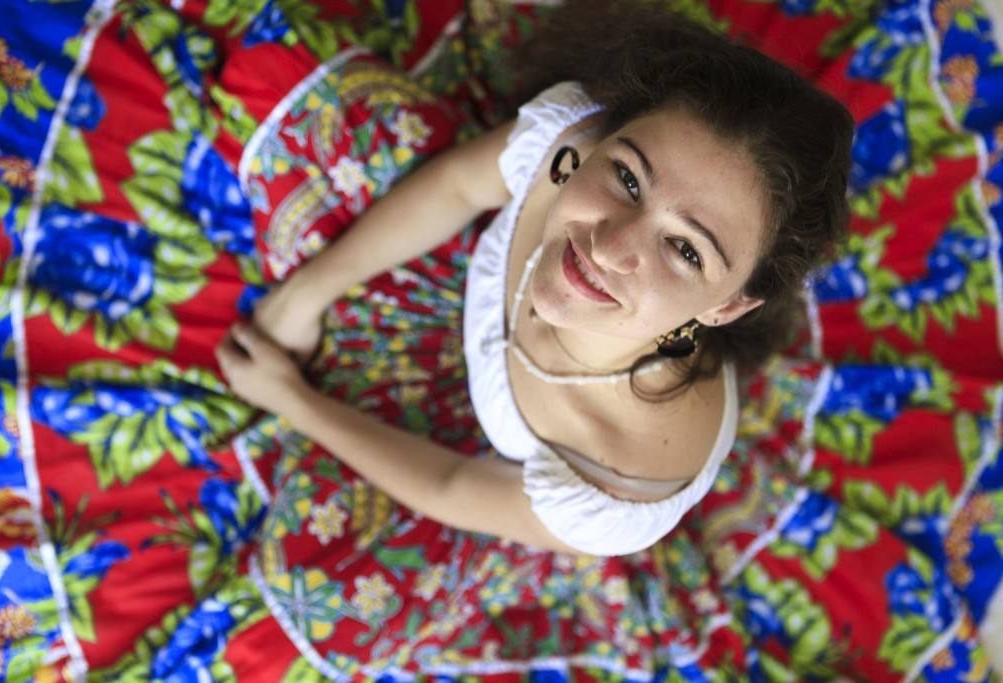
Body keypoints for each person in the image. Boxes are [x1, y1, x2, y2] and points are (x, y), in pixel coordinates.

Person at [214, 1, 854, 557]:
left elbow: (450, 487)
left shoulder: (624, 477)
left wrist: (294, 400)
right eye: (628, 179)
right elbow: (462, 184)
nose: (609, 246)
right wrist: (306, 295)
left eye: (686, 250)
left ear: (728, 307)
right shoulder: (569, 139)